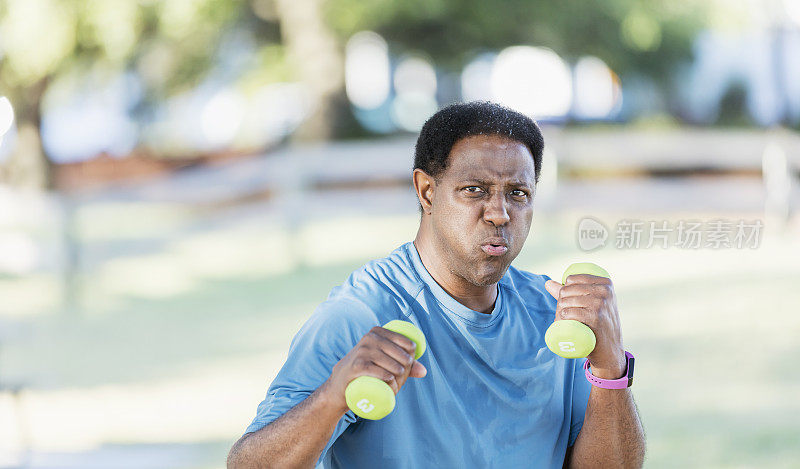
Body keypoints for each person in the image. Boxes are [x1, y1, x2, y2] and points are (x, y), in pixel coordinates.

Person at [227, 101, 645, 468]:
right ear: (426, 191)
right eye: (474, 190)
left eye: (518, 193)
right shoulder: (362, 316)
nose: (499, 213)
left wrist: (610, 369)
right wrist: (333, 397)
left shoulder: (554, 316)